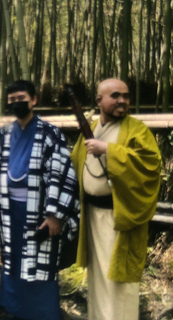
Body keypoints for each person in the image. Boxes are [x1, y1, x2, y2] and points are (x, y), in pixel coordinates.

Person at [0, 80, 79, 320]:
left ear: (34, 100)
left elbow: (61, 174)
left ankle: (41, 314)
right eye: (12, 100)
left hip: (39, 210)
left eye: (21, 98)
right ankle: (13, 309)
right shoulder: (5, 133)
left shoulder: (50, 133)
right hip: (9, 209)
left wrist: (55, 215)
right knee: (13, 259)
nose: (17, 103)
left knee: (39, 264)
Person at [70, 78, 161, 320]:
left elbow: (151, 164)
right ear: (99, 100)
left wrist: (109, 150)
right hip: (91, 215)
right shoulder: (89, 128)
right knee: (97, 279)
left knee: (118, 282)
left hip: (119, 217)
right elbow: (76, 162)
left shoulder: (136, 129)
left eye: (126, 96)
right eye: (115, 95)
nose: (122, 100)